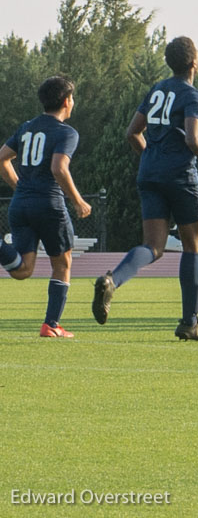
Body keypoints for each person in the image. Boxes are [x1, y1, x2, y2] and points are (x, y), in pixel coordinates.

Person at [92, 36, 198, 340]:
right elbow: (193, 139)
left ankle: (113, 280)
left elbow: (132, 132)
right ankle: (190, 323)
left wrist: (152, 158)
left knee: (153, 246)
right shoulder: (194, 96)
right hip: (180, 177)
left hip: (149, 174)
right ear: (194, 62)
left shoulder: (156, 90)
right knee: (192, 245)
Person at [0, 76, 92, 338]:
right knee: (62, 262)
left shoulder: (27, 127)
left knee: (22, 270)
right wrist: (77, 200)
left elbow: (2, 159)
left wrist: (20, 187)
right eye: (72, 98)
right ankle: (51, 324)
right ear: (66, 101)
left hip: (20, 205)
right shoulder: (66, 132)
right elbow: (58, 168)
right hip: (49, 204)